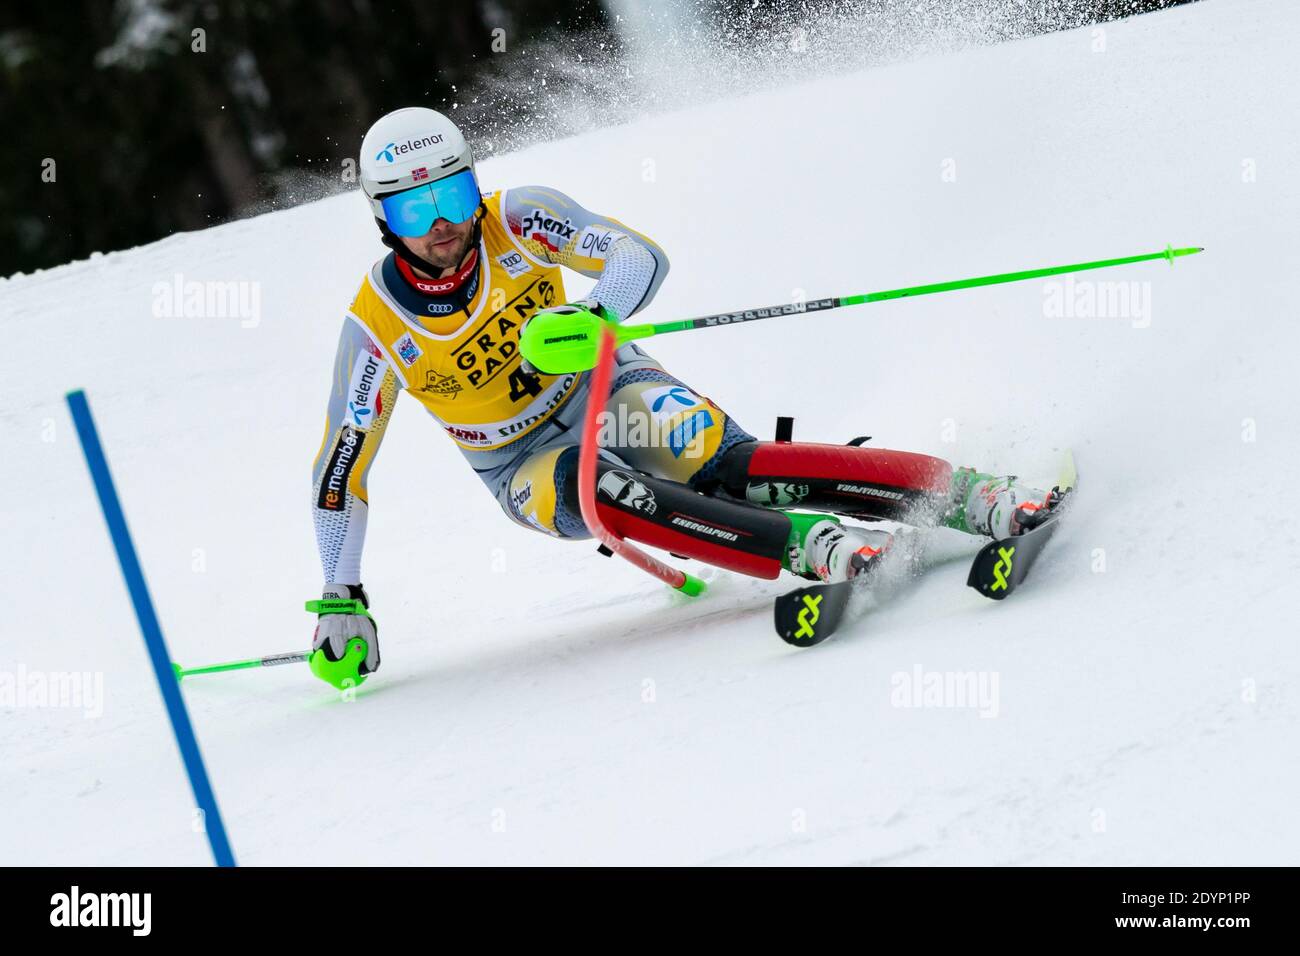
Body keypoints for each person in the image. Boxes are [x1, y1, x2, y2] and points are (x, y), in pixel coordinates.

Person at [309, 106, 1061, 679]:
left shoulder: (518, 218)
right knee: (597, 491)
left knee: (728, 468)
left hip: (604, 388)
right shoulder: (376, 328)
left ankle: (977, 494)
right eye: (415, 210)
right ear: (382, 219)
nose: (443, 223)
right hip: (518, 463)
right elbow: (341, 471)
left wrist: (593, 312)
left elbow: (639, 256)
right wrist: (343, 596)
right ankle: (812, 545)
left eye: (455, 193)